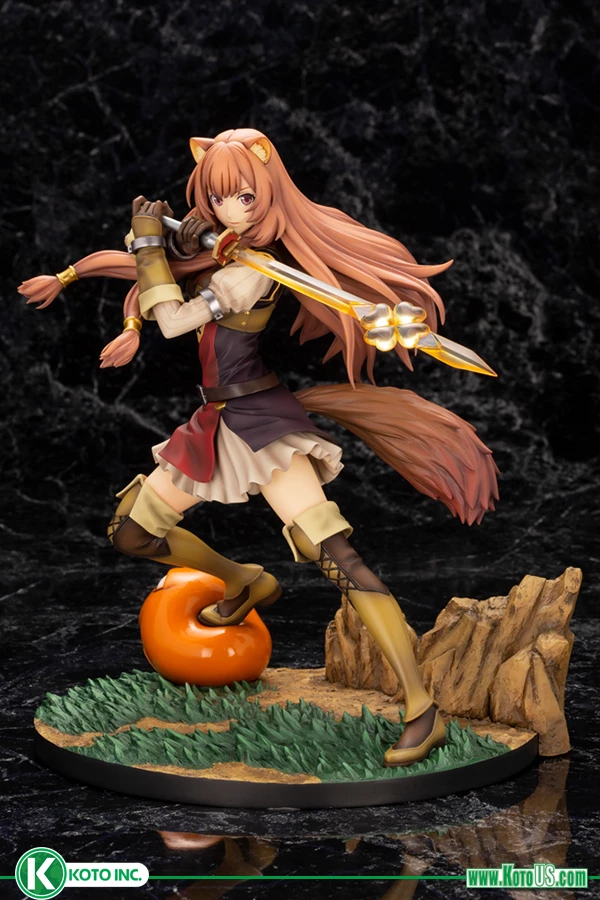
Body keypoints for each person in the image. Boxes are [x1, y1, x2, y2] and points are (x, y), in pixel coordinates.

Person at [20, 128, 498, 767]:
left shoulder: (252, 272)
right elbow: (154, 266)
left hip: (262, 423)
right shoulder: (226, 251)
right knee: (132, 532)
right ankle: (243, 578)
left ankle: (422, 709)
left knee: (336, 557)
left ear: (270, 193)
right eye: (219, 198)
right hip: (214, 420)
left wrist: (150, 245)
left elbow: (173, 320)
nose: (231, 210)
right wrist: (111, 261)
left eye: (245, 197)